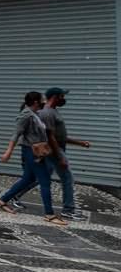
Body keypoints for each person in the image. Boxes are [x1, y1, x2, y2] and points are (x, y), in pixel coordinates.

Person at [0, 91, 67, 226]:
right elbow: (16, 134)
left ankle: (2, 200)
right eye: (42, 100)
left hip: (37, 151)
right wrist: (8, 152)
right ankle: (49, 214)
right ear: (35, 102)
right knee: (45, 181)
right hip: (31, 152)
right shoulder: (25, 116)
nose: (44, 101)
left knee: (29, 178)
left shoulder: (36, 115)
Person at [38, 87, 90, 221]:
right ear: (55, 97)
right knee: (67, 178)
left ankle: (12, 196)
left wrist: (79, 142)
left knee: (39, 177)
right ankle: (68, 210)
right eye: (62, 96)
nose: (64, 99)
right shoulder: (47, 113)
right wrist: (60, 156)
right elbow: (51, 137)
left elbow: (59, 136)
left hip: (56, 149)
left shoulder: (54, 111)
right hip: (54, 150)